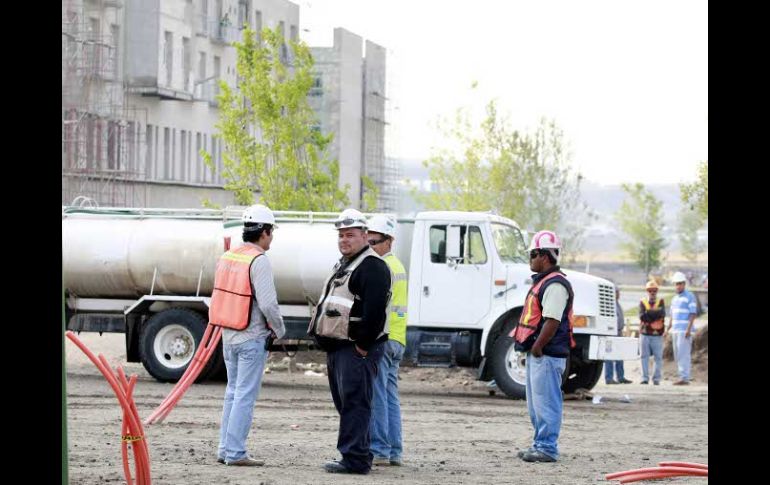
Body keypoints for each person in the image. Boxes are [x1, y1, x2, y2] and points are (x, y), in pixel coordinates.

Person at [307, 208, 392, 475]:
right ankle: (355, 453)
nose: (344, 240)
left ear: (365, 236)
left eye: (350, 235)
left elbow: (375, 313)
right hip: (340, 347)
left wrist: (361, 347)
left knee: (355, 403)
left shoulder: (373, 267)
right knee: (347, 404)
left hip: (355, 348)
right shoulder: (345, 263)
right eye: (341, 235)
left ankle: (355, 460)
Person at [211, 204, 285, 466]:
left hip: (228, 335)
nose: (272, 237)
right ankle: (236, 452)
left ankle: (225, 448)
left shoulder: (229, 257)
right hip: (251, 336)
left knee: (233, 393)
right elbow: (267, 304)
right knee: (244, 395)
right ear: (264, 232)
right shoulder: (259, 260)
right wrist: (280, 328)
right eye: (271, 231)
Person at [512, 230, 574, 463]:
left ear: (545, 256)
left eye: (533, 254)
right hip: (539, 353)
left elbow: (552, 320)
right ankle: (540, 444)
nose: (531, 259)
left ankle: (547, 448)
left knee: (546, 403)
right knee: (537, 404)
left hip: (546, 354)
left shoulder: (555, 285)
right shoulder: (545, 283)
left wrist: (537, 347)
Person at [365, 215, 407, 467]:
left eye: (374, 241)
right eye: (368, 241)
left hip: (385, 337)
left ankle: (379, 448)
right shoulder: (398, 266)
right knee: (389, 396)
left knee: (377, 395)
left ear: (389, 241)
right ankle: (394, 450)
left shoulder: (384, 267)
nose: (370, 246)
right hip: (397, 338)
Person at [668, 271, 698, 385]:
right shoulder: (674, 299)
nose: (678, 286)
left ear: (684, 284)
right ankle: (681, 375)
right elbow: (672, 315)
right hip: (675, 330)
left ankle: (684, 378)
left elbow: (693, 314)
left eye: (680, 283)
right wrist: (668, 329)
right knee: (677, 354)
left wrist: (688, 330)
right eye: (676, 284)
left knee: (683, 353)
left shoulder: (689, 296)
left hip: (684, 330)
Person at [639, 280, 666, 385]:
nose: (652, 292)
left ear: (657, 291)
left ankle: (656, 379)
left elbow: (662, 314)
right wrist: (655, 314)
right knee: (644, 357)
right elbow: (642, 316)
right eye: (650, 290)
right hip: (644, 334)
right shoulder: (642, 302)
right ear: (647, 291)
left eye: (654, 290)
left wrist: (648, 313)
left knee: (658, 357)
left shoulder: (661, 301)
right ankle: (644, 378)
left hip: (657, 335)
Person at [605, 287, 632, 384]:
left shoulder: (618, 304)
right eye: (616, 292)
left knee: (620, 355)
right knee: (609, 356)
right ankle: (609, 378)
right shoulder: (609, 304)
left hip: (619, 332)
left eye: (618, 292)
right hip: (611, 333)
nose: (618, 294)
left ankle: (621, 377)